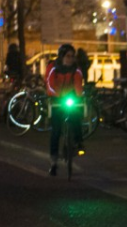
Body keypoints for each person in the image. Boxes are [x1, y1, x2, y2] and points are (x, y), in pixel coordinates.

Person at [46, 44, 85, 176]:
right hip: (56, 99)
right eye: (68, 56)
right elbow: (49, 84)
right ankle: (53, 162)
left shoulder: (76, 69)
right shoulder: (53, 67)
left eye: (72, 56)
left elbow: (78, 85)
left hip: (70, 98)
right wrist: (55, 96)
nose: (70, 59)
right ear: (61, 56)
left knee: (76, 118)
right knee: (56, 131)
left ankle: (79, 143)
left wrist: (79, 97)